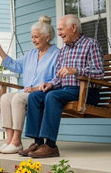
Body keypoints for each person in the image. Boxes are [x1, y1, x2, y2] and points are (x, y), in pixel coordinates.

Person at [21, 14, 104, 158]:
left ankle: (51, 146)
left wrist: (76, 71)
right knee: (35, 96)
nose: (58, 33)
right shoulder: (64, 50)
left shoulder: (91, 44)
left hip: (86, 92)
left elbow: (100, 73)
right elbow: (58, 77)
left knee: (53, 96)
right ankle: (39, 142)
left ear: (73, 27)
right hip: (65, 90)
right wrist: (51, 83)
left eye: (61, 29)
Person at [0, 15, 59, 154]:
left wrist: (36, 88)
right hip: (27, 91)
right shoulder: (31, 54)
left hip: (42, 93)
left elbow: (56, 79)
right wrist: (0, 50)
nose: (33, 40)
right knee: (5, 97)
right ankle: (10, 141)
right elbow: (16, 66)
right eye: (32, 37)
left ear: (47, 37)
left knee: (18, 98)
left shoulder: (57, 54)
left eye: (36, 37)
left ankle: (17, 141)